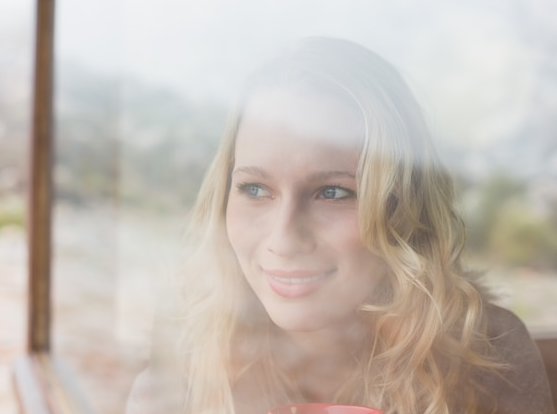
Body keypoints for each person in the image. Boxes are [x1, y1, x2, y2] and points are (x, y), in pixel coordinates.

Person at [126, 37, 554, 414]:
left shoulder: (486, 354)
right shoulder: (186, 358)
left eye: (332, 192)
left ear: (400, 208)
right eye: (255, 189)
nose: (284, 239)